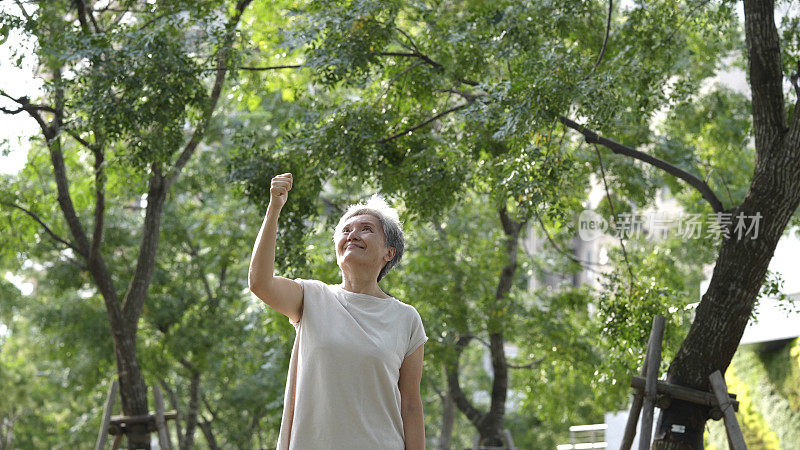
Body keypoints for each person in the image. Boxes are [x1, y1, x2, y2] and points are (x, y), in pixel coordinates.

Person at [248, 173, 427, 450]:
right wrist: (274, 208)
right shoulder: (311, 297)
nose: (352, 234)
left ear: (388, 253)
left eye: (366, 229)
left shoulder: (406, 318)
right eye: (345, 231)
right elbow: (260, 283)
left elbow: (412, 407)